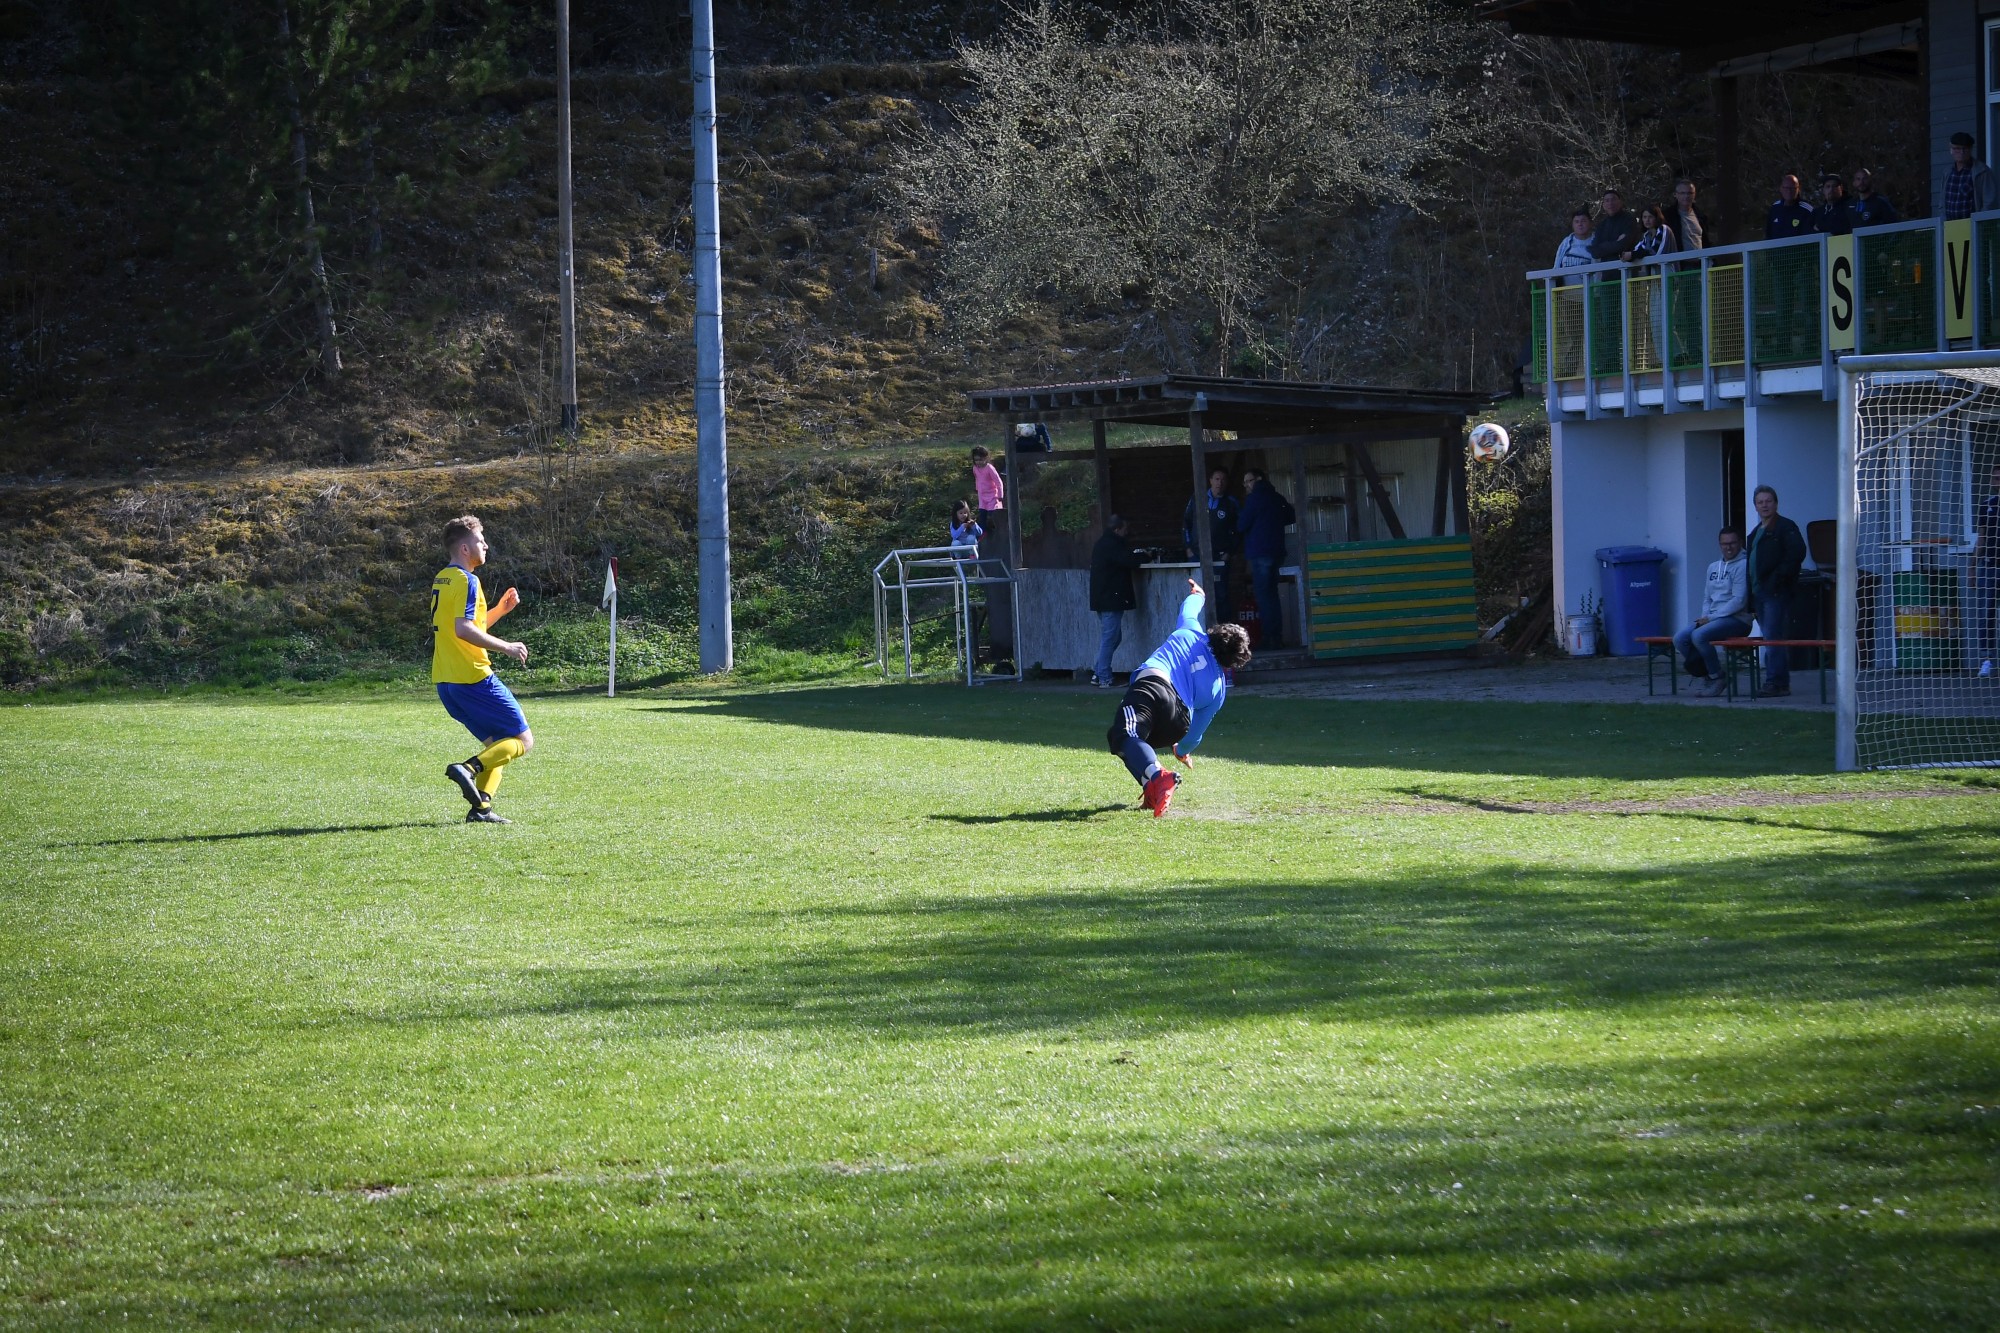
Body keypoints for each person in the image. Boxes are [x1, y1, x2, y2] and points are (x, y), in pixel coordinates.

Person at [1104, 579, 1251, 817]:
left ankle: (1159, 778)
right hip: (1177, 724)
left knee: (1126, 734)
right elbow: (1195, 735)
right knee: (1120, 739)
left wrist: (1198, 595)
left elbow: (1188, 609)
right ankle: (1153, 791)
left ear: (1215, 631)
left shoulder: (1191, 632)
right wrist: (1182, 751)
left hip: (1154, 688)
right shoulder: (1219, 690)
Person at [431, 515, 532, 824]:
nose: (485, 544)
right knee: (523, 741)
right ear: (464, 548)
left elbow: (467, 626)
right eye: (479, 540)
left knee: (499, 743)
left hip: (446, 681)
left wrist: (501, 609)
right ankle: (468, 769)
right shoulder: (468, 581)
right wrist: (507, 646)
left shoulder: (443, 579)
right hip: (473, 676)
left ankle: (481, 808)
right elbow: (464, 630)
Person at [1673, 526, 1751, 697]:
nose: (1728, 547)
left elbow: (1739, 600)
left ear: (1740, 543)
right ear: (1719, 544)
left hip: (1737, 620)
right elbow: (1707, 597)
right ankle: (1707, 675)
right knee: (1679, 639)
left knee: (1699, 636)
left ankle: (1718, 678)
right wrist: (1705, 616)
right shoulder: (1713, 567)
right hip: (1713, 619)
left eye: (1732, 543)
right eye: (1724, 544)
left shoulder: (1744, 565)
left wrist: (1711, 618)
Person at [1746, 484, 1808, 697]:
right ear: (1755, 506)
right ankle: (1778, 682)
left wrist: (1777, 579)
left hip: (1775, 592)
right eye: (1760, 502)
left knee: (1773, 637)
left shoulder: (1785, 527)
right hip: (1759, 593)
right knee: (1769, 637)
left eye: (1768, 501)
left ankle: (1776, 683)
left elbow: (1797, 553)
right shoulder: (1755, 533)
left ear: (1776, 503)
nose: (1764, 505)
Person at [1237, 468, 1297, 649]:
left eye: (1249, 481)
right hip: (1277, 552)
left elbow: (1241, 525)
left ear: (1259, 479)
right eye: (1245, 482)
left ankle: (1270, 638)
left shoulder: (1254, 499)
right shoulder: (1276, 497)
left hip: (1260, 552)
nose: (1247, 485)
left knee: (1264, 596)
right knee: (1272, 595)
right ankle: (1276, 636)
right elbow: (1291, 516)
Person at [1089, 513, 1146, 688]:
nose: (1127, 532)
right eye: (1125, 529)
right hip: (1110, 598)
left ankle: (1098, 673)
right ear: (1117, 529)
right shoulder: (1112, 545)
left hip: (1103, 597)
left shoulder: (1104, 543)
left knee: (1114, 637)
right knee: (1110, 637)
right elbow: (1129, 560)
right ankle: (1104, 677)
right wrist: (1146, 555)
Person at [1183, 466, 1240, 624]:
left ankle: (1221, 632)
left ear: (1227, 482)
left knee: (1220, 593)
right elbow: (1186, 524)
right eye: (1216, 479)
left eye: (1223, 480)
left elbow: (1238, 530)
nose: (1219, 483)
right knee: (1196, 593)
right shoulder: (1197, 498)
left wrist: (1230, 551)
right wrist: (1188, 548)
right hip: (1196, 555)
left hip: (1221, 556)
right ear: (1210, 481)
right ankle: (1201, 631)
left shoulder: (1231, 502)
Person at [1973, 462, 2000, 678]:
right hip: (1990, 566)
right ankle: (1987, 659)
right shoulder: (1987, 505)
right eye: (1994, 478)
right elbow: (1981, 537)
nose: (1996, 481)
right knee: (1986, 614)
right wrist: (1972, 567)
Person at [1944, 132, 2000, 221]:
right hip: (1950, 226)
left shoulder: (1982, 172)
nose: (1961, 152)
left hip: (1974, 226)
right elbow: (1942, 203)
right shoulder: (1948, 172)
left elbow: (1990, 202)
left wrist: (1980, 222)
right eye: (1957, 148)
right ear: (1951, 149)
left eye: (1965, 149)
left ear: (1970, 149)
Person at [1587, 189, 1639, 263]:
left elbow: (1623, 245)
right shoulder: (1602, 225)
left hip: (1627, 268)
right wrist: (1615, 243)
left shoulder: (1629, 220)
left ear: (1620, 202)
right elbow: (1594, 252)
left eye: (1613, 199)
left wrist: (1602, 246)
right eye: (1607, 200)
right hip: (1607, 269)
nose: (1610, 203)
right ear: (1604, 205)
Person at [1765, 174, 1815, 239]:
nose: (1789, 191)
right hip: (1777, 248)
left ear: (1798, 189)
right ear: (1781, 189)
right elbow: (1768, 235)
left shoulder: (1807, 211)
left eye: (1793, 188)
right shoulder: (1775, 208)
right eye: (1786, 188)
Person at [970, 445, 1005, 532]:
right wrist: (977, 489)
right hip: (982, 496)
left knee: (992, 516)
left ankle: (997, 534)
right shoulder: (975, 468)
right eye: (976, 460)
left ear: (986, 458)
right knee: (982, 516)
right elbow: (977, 479)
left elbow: (998, 481)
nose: (978, 462)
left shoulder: (989, 468)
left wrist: (1000, 495)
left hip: (992, 496)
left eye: (981, 460)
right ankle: (983, 536)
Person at [1672, 179, 1705, 252]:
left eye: (1690, 193)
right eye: (1682, 193)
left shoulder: (1701, 216)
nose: (1686, 196)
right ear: (1676, 194)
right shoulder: (1668, 216)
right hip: (1679, 261)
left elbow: (1705, 240)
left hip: (1701, 261)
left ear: (1694, 194)